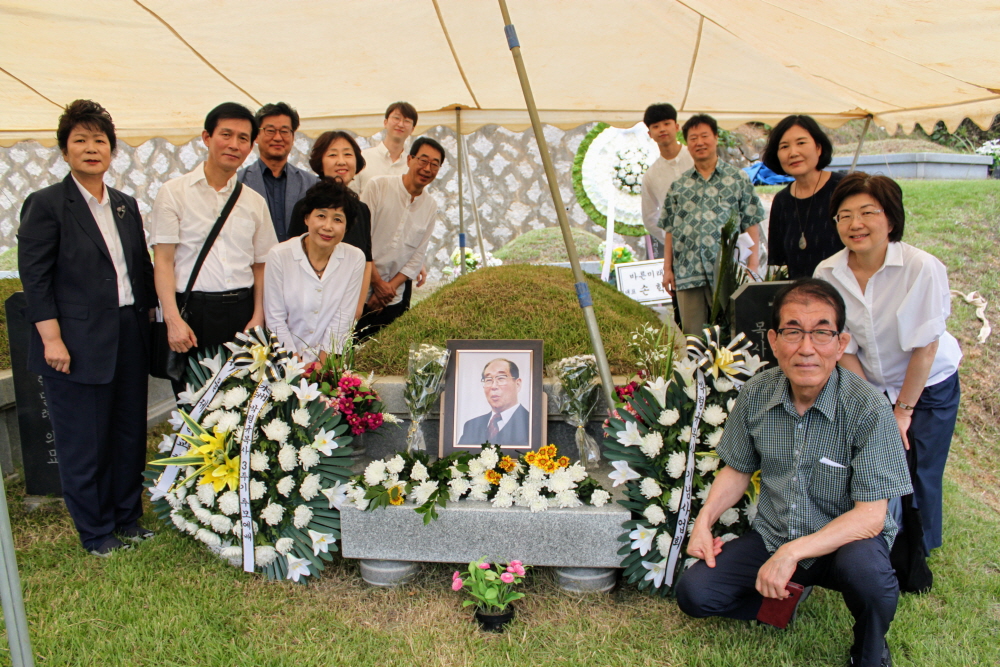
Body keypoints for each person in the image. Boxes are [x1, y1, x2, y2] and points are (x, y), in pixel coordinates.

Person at [676, 278, 912, 667]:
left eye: (821, 332)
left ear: (841, 343)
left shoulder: (869, 408)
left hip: (844, 544)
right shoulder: (756, 393)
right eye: (793, 332)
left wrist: (793, 552)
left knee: (870, 579)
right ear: (773, 340)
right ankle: (783, 602)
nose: (806, 348)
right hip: (776, 533)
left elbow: (871, 517)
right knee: (695, 593)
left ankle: (869, 648)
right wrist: (704, 521)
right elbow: (737, 470)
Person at [17, 100, 157, 556]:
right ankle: (96, 532)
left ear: (112, 150)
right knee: (85, 442)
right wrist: (52, 338)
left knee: (128, 434)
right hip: (75, 342)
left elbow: (140, 268)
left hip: (127, 332)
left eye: (100, 140)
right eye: (81, 140)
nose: (91, 148)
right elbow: (35, 278)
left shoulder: (125, 205)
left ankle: (127, 518)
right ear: (65, 151)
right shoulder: (46, 205)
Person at [815, 172, 962, 555]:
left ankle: (919, 553)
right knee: (878, 465)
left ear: (891, 219)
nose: (855, 224)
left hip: (928, 384)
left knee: (921, 467)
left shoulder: (921, 267)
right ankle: (883, 543)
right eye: (845, 215)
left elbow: (925, 349)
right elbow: (844, 346)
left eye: (868, 212)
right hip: (872, 382)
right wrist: (877, 407)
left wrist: (903, 411)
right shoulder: (827, 273)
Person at [148, 102, 277, 393]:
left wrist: (258, 317)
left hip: (242, 313)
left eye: (243, 138)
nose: (234, 145)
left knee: (243, 402)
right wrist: (172, 319)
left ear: (251, 146)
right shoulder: (174, 193)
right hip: (193, 314)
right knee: (194, 403)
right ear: (207, 137)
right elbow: (163, 261)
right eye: (226, 135)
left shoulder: (254, 201)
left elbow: (261, 265)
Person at [658, 114, 763, 334]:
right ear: (687, 144)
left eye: (705, 136)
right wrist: (667, 269)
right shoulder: (679, 185)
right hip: (688, 273)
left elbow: (751, 222)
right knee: (694, 338)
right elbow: (669, 229)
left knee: (732, 335)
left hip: (728, 274)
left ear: (715, 137)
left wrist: (753, 267)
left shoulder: (738, 179)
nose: (699, 142)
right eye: (693, 138)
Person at [264, 179, 365, 362]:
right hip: (282, 360)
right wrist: (295, 365)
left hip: (329, 362)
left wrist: (322, 365)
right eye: (321, 216)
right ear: (306, 218)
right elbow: (275, 318)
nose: (328, 226)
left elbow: (343, 317)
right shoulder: (279, 255)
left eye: (337, 219)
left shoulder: (355, 258)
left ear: (347, 227)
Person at [356, 137, 443, 337]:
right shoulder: (378, 186)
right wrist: (377, 283)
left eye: (434, 164)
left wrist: (388, 290)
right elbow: (361, 239)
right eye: (423, 160)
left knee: (389, 350)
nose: (427, 168)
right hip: (360, 289)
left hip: (394, 297)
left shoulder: (430, 206)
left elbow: (417, 255)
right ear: (409, 159)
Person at [286, 131, 372, 321]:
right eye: (333, 155)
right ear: (320, 162)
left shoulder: (362, 210)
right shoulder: (306, 206)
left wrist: (358, 307)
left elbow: (367, 260)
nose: (341, 161)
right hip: (308, 311)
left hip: (348, 310)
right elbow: (292, 260)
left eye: (347, 154)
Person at [762, 115, 845, 278]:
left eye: (801, 143)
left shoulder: (843, 188)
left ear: (818, 148)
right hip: (801, 291)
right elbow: (779, 263)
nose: (793, 153)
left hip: (845, 289)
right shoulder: (781, 201)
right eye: (784, 146)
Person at [239, 102, 318, 242]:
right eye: (270, 130)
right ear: (256, 136)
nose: (277, 137)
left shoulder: (312, 184)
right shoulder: (238, 182)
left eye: (284, 131)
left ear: (293, 137)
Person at [639, 103, 693, 255]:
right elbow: (649, 218)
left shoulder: (698, 158)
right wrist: (671, 239)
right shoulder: (651, 176)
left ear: (677, 127)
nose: (662, 129)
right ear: (650, 134)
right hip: (680, 250)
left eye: (667, 124)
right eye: (656, 126)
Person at [458, 359, 530, 446]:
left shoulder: (530, 423)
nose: (494, 386)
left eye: (501, 378)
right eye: (488, 380)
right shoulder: (471, 426)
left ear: (517, 384)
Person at [352, 101, 418, 194]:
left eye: (407, 121)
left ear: (412, 129)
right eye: (396, 118)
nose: (401, 124)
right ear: (385, 122)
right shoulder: (362, 158)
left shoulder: (412, 166)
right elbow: (351, 195)